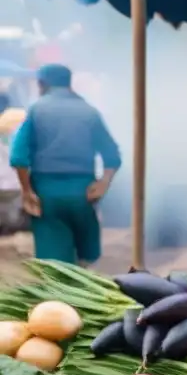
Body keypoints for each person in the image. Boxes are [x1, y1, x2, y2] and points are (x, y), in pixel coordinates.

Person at [7, 64, 121, 265]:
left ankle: (60, 291)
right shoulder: (89, 111)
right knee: (86, 255)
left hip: (46, 192)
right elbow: (112, 154)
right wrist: (104, 182)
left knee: (54, 258)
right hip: (84, 191)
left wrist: (26, 190)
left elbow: (18, 156)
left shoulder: (36, 109)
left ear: (42, 84)